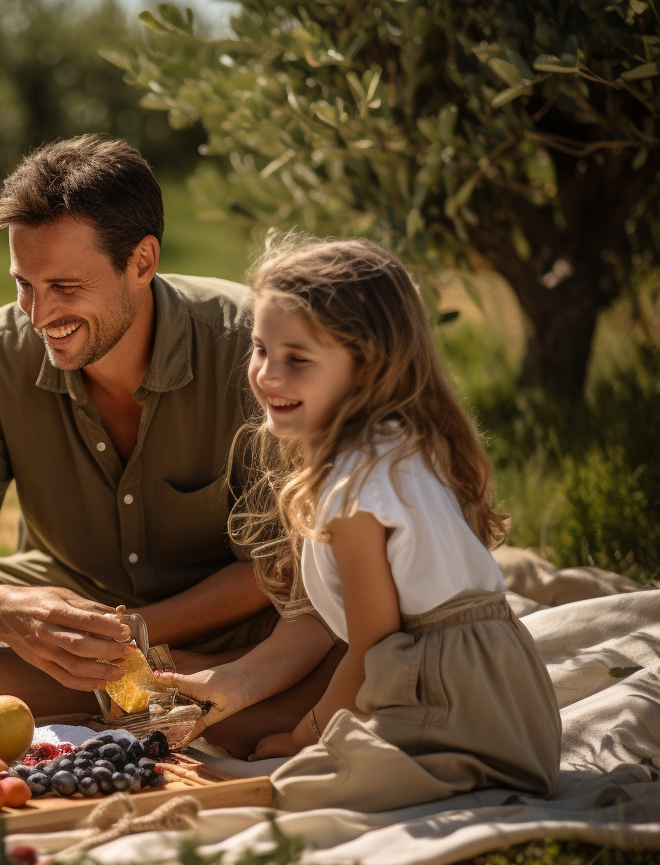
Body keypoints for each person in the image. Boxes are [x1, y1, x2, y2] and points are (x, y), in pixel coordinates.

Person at [0, 135, 342, 748]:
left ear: (142, 262)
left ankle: (133, 705)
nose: (38, 313)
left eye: (66, 288)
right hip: (63, 627)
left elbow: (287, 561)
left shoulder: (252, 349)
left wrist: (135, 633)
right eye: (25, 284)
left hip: (230, 637)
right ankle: (160, 712)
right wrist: (8, 614)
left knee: (348, 650)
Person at [159, 235, 561, 811]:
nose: (267, 374)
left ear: (367, 366)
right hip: (500, 700)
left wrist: (304, 739)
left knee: (271, 797)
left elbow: (374, 647)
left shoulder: (354, 490)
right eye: (259, 349)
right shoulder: (401, 442)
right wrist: (240, 687)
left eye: (297, 359)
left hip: (458, 713)